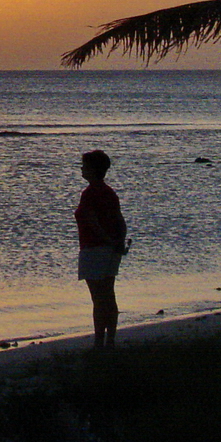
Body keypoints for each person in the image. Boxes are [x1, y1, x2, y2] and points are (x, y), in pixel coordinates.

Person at [75, 149, 129, 348]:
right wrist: (118, 242)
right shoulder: (109, 192)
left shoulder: (90, 194)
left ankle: (99, 342)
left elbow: (92, 222)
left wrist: (109, 241)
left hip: (94, 249)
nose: (82, 169)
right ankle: (110, 340)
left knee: (98, 299)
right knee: (109, 296)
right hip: (110, 250)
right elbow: (120, 221)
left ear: (93, 169)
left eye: (85, 166)